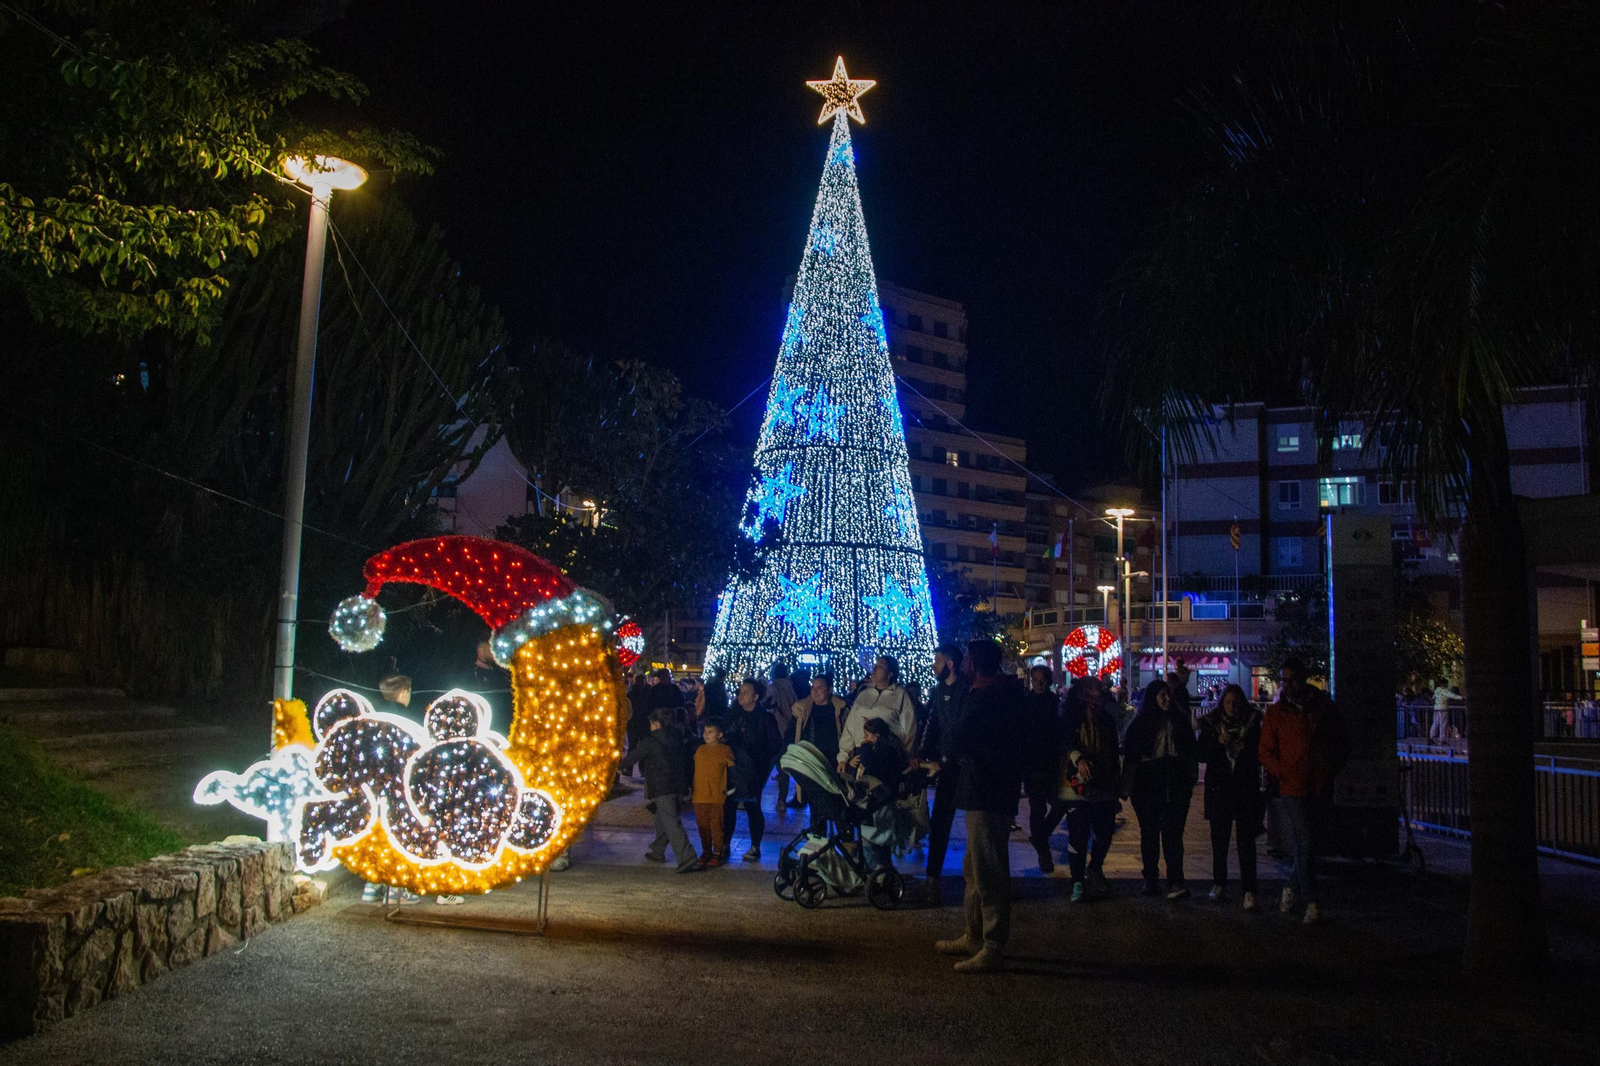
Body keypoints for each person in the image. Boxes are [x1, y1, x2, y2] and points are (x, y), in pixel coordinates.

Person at [934, 639, 1023, 973]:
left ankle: (992, 944)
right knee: (974, 867)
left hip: (988, 792)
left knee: (988, 872)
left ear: (974, 663)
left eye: (968, 659)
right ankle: (974, 934)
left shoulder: (987, 698)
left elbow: (956, 739)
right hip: (985, 790)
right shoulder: (998, 695)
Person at [1259, 658, 1349, 924]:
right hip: (1292, 786)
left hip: (1319, 784)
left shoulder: (1322, 708)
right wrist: (1282, 770)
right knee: (1306, 840)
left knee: (1311, 844)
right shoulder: (1277, 713)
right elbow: (1266, 750)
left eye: (1291, 680)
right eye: (1284, 681)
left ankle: (1291, 886)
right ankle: (1311, 900)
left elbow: (1341, 740)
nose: (1287, 685)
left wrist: (1329, 768)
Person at [1122, 678, 1198, 900]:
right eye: (1161, 695)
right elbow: (1131, 757)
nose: (1166, 699)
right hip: (1148, 786)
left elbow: (1191, 752)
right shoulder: (1140, 725)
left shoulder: (1179, 722)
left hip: (1175, 784)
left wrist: (1189, 779)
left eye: (1168, 695)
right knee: (1150, 834)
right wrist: (1128, 787)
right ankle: (1151, 878)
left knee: (1173, 835)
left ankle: (1175, 880)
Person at [1052, 676, 1122, 901]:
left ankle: (1095, 867)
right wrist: (1078, 757)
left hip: (1103, 781)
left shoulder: (1107, 719)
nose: (1096, 696)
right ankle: (1077, 880)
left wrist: (1116, 778)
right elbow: (1065, 741)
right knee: (1078, 834)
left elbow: (1112, 748)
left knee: (1104, 831)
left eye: (1098, 691)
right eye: (1091, 691)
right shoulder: (1070, 717)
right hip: (1076, 783)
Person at [1196, 683, 1263, 910]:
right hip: (1219, 790)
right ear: (1221, 703)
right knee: (1219, 841)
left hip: (1245, 790)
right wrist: (1218, 743)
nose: (1231, 707)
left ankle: (1249, 889)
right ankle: (1219, 883)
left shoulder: (1252, 724)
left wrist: (1248, 746)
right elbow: (1201, 754)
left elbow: (1261, 754)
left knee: (1246, 842)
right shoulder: (1212, 725)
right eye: (1227, 702)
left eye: (1235, 702)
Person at [916, 643, 968, 902]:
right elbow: (933, 722)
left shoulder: (967, 689)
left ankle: (979, 879)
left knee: (975, 823)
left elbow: (964, 727)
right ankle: (932, 878)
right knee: (940, 824)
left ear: (950, 663)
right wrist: (923, 753)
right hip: (945, 768)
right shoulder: (938, 691)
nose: (933, 664)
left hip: (966, 768)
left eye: (937, 660)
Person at [618, 707, 698, 872]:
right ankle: (658, 850)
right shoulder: (678, 737)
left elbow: (632, 758)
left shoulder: (650, 741)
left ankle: (687, 857)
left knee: (671, 821)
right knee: (662, 818)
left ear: (655, 723)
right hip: (677, 785)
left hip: (662, 786)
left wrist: (617, 765)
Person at [724, 678, 781, 861]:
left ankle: (755, 845)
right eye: (740, 692)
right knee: (729, 805)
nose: (741, 695)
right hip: (733, 767)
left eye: (746, 692)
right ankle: (725, 843)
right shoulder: (733, 715)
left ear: (756, 696)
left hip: (754, 769)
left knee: (752, 805)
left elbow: (775, 744)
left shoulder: (764, 718)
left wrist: (760, 761)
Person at [847, 717, 909, 869]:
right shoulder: (887, 747)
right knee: (875, 839)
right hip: (878, 803)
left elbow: (874, 768)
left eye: (867, 735)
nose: (865, 739)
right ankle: (878, 870)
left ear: (877, 736)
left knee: (875, 839)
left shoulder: (886, 750)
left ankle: (879, 871)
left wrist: (865, 748)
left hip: (880, 803)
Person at [1020, 665, 1063, 873]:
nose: (1039, 684)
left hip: (1052, 763)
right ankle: (1043, 853)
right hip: (1033, 764)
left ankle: (1040, 837)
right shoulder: (1026, 703)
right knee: (1038, 808)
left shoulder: (1054, 702)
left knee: (1059, 805)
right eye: (1036, 679)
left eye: (1043, 679)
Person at [840, 655, 918, 765]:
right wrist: (843, 757)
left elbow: (910, 730)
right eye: (875, 665)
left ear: (890, 673)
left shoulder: (901, 695)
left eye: (880, 666)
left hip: (886, 756)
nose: (875, 668)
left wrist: (906, 757)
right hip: (860, 753)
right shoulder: (864, 695)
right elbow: (850, 726)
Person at [792, 674, 847, 829]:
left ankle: (845, 844)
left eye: (820, 688)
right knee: (816, 807)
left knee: (839, 805)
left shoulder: (840, 710)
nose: (815, 692)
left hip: (835, 765)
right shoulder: (804, 710)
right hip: (812, 765)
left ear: (829, 690)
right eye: (813, 687)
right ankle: (818, 845)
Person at [691, 719, 737, 868]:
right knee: (702, 826)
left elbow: (732, 770)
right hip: (700, 795)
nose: (706, 735)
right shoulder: (700, 749)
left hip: (717, 796)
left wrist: (732, 789)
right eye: (705, 731)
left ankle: (717, 852)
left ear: (720, 734)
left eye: (710, 732)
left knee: (716, 826)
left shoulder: (724, 750)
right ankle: (706, 851)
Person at [769, 663, 799, 809]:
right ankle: (782, 798)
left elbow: (765, 703)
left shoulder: (773, 687)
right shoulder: (790, 687)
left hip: (772, 729)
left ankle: (751, 798)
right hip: (786, 730)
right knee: (782, 766)